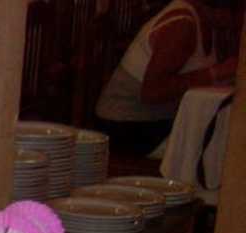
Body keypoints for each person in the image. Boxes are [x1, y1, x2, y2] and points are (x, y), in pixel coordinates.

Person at [96, 0, 240, 157]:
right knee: (220, 145)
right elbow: (152, 92)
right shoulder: (182, 25)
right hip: (127, 127)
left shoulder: (213, 25)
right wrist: (215, 73)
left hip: (159, 123)